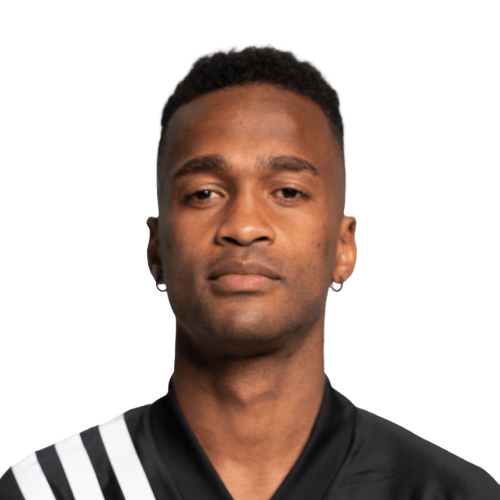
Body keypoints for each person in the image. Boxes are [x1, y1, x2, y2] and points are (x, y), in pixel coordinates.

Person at [1, 42, 498, 500]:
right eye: (204, 193)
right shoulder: (48, 492)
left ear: (344, 247)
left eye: (287, 192)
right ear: (156, 248)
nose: (243, 226)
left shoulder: (448, 493)